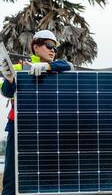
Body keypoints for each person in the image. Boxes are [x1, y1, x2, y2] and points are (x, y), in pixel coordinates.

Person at [0, 30, 73, 195]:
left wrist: (47, 66)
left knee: (47, 177)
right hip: (20, 129)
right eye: (48, 45)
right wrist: (10, 78)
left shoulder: (58, 69)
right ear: (36, 47)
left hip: (48, 130)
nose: (53, 50)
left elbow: (69, 65)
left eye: (54, 47)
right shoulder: (20, 67)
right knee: (13, 179)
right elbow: (7, 92)